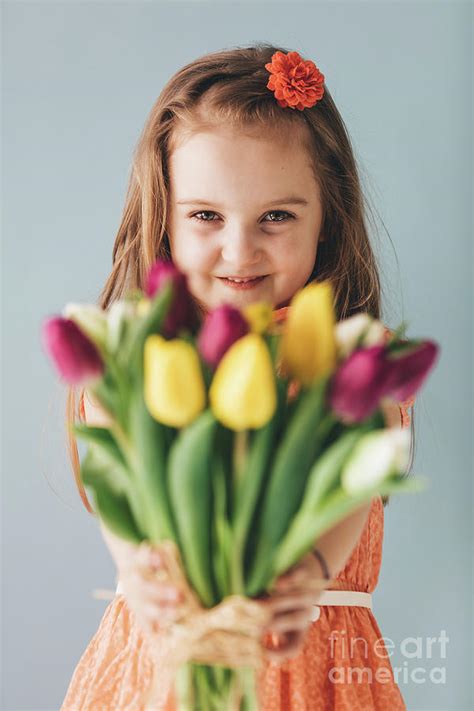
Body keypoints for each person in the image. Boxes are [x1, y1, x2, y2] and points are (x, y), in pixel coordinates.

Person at [61, 43, 416, 710]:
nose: (239, 249)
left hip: (307, 653)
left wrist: (309, 572)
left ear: (326, 221)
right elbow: (117, 467)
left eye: (276, 217)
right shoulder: (148, 352)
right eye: (206, 216)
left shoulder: (344, 360)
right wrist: (137, 561)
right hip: (170, 651)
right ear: (166, 214)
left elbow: (353, 483)